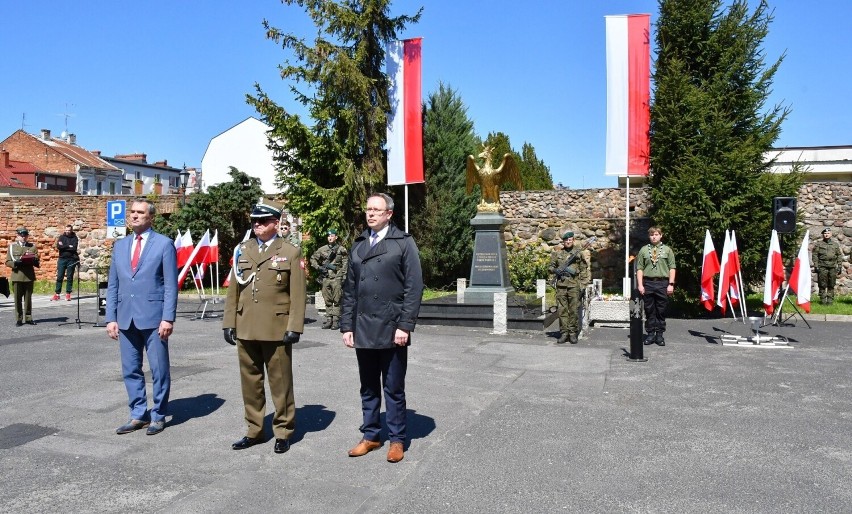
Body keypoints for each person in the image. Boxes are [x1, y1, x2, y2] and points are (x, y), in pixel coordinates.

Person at [340, 193, 423, 463]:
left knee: (393, 388)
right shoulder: (359, 244)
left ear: (389, 214)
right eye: (368, 209)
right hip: (363, 327)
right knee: (368, 387)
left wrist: (405, 325)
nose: (370, 214)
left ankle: (397, 439)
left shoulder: (403, 243)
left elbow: (414, 287)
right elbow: (349, 289)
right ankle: (371, 435)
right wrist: (347, 325)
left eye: (376, 209)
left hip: (391, 327)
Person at [223, 199, 306, 454]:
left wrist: (295, 326)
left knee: (280, 383)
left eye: (263, 221)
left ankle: (283, 431)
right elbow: (234, 289)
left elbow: (298, 293)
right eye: (254, 221)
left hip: (276, 327)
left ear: (275, 223)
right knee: (250, 383)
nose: (257, 225)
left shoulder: (290, 252)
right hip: (246, 324)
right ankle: (254, 430)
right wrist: (229, 322)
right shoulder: (243, 250)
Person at [105, 199, 178, 436]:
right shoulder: (120, 246)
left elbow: (170, 285)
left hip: (154, 318)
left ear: (151, 217)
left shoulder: (164, 244)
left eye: (140, 213)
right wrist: (110, 317)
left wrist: (168, 317)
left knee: (159, 369)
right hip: (126, 318)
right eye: (132, 212)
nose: (134, 216)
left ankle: (158, 415)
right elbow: (113, 285)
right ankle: (138, 414)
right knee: (130, 369)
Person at [635, 226, 676, 346]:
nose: (654, 236)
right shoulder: (643, 250)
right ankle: (650, 334)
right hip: (648, 283)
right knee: (649, 309)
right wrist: (640, 285)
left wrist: (671, 284)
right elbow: (640, 268)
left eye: (656, 234)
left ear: (661, 235)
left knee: (661, 310)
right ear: (649, 236)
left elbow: (672, 268)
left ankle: (659, 335)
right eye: (652, 234)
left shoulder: (667, 250)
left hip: (662, 283)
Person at [549, 231, 591, 344]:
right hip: (561, 286)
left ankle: (572, 333)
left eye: (570, 240)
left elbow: (583, 269)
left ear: (573, 241)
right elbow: (550, 266)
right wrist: (555, 270)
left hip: (574, 285)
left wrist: (583, 284)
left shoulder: (578, 254)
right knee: (562, 310)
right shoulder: (557, 254)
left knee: (573, 310)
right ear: (563, 241)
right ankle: (564, 333)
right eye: (566, 240)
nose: (568, 242)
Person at [311, 229, 349, 330]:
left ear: (336, 237)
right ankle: (329, 320)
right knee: (327, 300)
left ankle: (336, 321)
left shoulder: (341, 249)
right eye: (328, 236)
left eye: (332, 236)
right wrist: (319, 268)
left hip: (337, 277)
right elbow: (313, 259)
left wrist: (343, 275)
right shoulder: (322, 249)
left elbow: (345, 263)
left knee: (337, 300)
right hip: (325, 278)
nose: (330, 238)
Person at [6, 227, 40, 326]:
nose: (23, 237)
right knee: (17, 299)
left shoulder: (32, 247)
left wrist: (34, 260)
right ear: (17, 236)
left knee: (28, 299)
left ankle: (28, 318)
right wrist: (16, 263)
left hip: (29, 276)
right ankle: (19, 318)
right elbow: (7, 262)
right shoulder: (12, 247)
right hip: (17, 275)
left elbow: (37, 261)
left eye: (25, 235)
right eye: (21, 235)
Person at [812, 227, 844, 305]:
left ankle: (830, 301)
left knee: (831, 284)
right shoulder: (819, 244)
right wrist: (816, 265)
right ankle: (823, 301)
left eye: (828, 233)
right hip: (822, 266)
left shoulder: (835, 244)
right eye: (825, 233)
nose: (826, 235)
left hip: (832, 266)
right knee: (822, 284)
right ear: (823, 235)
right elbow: (815, 255)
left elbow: (839, 255)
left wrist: (839, 266)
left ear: (831, 234)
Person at [52, 224, 79, 301]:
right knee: (60, 276)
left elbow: (74, 248)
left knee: (70, 277)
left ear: (71, 230)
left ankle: (68, 294)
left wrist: (65, 246)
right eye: (66, 230)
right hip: (62, 259)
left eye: (69, 230)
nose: (67, 232)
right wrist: (68, 246)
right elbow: (59, 247)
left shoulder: (75, 238)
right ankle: (57, 294)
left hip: (71, 259)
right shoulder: (61, 237)